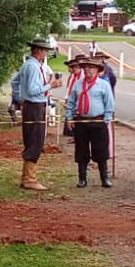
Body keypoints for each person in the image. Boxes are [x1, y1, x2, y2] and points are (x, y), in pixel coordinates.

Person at [13, 38, 60, 191]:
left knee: (33, 138)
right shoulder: (33, 67)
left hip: (31, 105)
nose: (46, 53)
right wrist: (50, 86)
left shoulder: (29, 65)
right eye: (45, 50)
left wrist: (20, 98)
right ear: (38, 50)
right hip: (34, 106)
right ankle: (30, 179)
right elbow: (33, 90)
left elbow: (15, 82)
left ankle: (26, 176)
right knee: (35, 140)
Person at [65, 56, 116, 188]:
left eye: (91, 67)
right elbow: (71, 102)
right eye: (85, 67)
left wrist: (107, 119)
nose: (87, 70)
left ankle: (104, 178)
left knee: (101, 150)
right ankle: (82, 178)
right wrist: (70, 117)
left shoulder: (103, 85)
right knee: (81, 150)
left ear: (97, 70)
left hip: (98, 121)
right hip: (81, 121)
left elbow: (109, 103)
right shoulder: (78, 84)